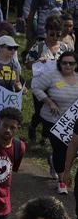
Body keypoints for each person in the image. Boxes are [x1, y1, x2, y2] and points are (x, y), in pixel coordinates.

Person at [33, 50, 78, 194]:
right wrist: (49, 102)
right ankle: (61, 181)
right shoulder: (52, 76)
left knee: (71, 151)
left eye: (71, 63)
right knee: (60, 150)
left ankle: (55, 163)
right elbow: (36, 87)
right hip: (53, 120)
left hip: (72, 123)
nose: (68, 66)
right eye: (64, 62)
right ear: (60, 63)